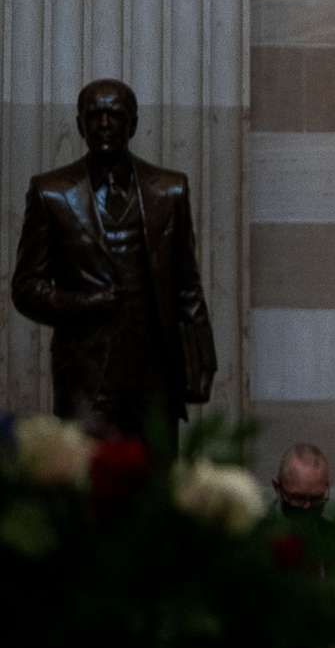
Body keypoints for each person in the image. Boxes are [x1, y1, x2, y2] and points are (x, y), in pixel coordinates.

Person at [10, 78, 218, 443]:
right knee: (86, 489)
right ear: (80, 125)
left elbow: (187, 285)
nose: (104, 124)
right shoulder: (52, 194)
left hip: (154, 379)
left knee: (155, 491)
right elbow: (26, 289)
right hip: (86, 381)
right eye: (94, 115)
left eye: (115, 115)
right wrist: (83, 303)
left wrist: (202, 359)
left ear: (133, 124)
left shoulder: (169, 191)